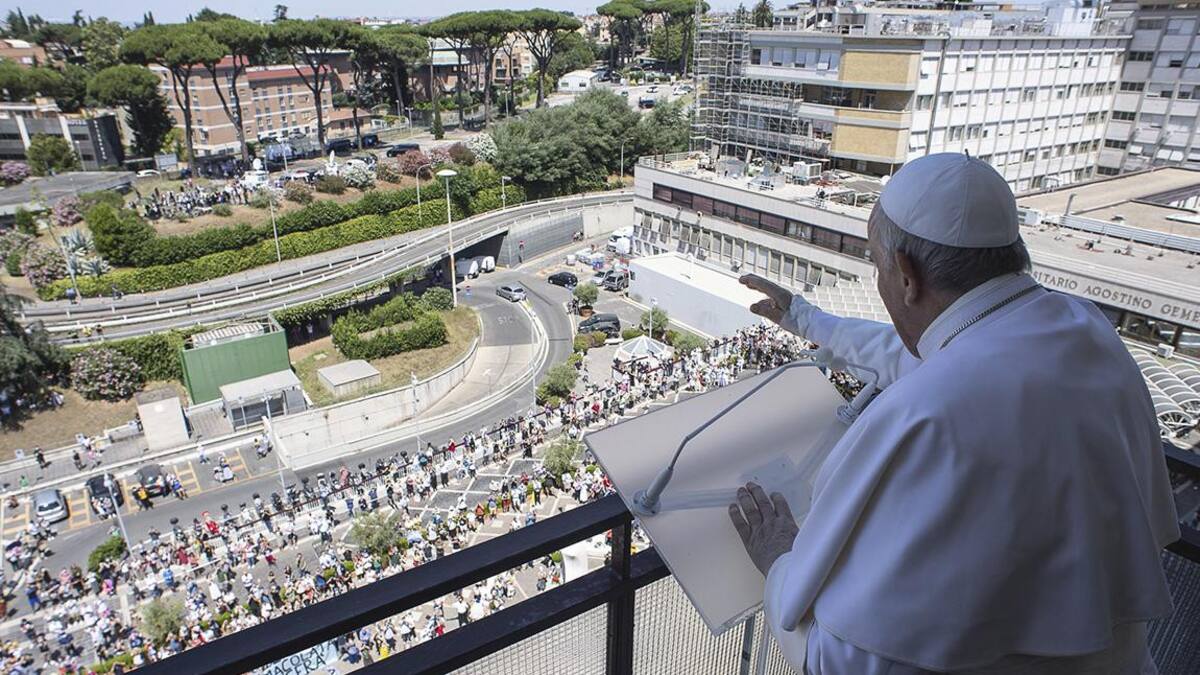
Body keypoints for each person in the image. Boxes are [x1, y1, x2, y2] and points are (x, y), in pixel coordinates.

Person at [733, 153, 1177, 674]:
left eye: (877, 264)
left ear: (905, 275)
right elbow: (941, 355)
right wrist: (809, 319)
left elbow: (843, 662)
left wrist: (781, 563)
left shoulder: (923, 419)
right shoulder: (1080, 328)